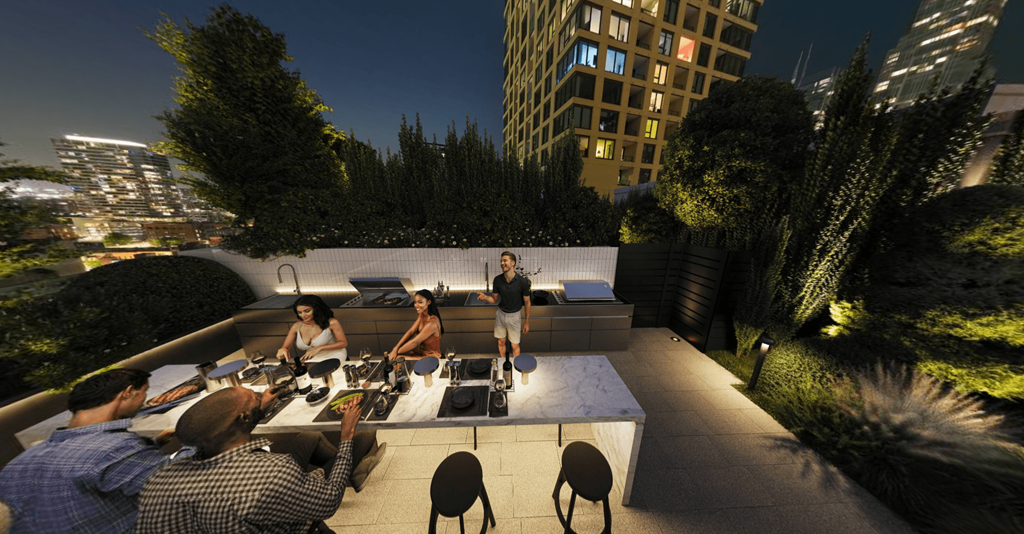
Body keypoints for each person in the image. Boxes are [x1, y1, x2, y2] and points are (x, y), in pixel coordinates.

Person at [135, 386, 375, 534]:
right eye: (254, 397)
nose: (259, 396)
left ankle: (353, 472)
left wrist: (256, 411)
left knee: (309, 438)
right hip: (304, 525)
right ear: (243, 417)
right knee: (354, 446)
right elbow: (330, 501)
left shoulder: (158, 481)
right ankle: (353, 467)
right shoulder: (273, 472)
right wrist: (346, 435)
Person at [0, 369, 186, 534]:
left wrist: (153, 444)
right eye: (144, 392)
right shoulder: (116, 448)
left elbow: (91, 467)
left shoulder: (15, 465)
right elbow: (179, 484)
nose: (144, 400)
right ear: (128, 392)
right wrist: (201, 436)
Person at [477, 251, 531, 359]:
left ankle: (516, 367)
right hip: (500, 315)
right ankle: (502, 362)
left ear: (512, 263)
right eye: (501, 261)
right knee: (501, 341)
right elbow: (494, 299)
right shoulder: (497, 280)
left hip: (514, 317)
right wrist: (486, 298)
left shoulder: (522, 282)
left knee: (514, 345)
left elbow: (527, 302)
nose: (502, 263)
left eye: (505, 260)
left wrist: (527, 322)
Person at [277, 294, 348, 363]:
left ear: (316, 309)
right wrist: (283, 349)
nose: (303, 315)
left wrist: (319, 348)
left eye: (307, 311)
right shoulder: (297, 326)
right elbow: (285, 347)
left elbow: (343, 343)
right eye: (299, 312)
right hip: (313, 358)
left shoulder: (332, 322)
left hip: (335, 355)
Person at [386, 289, 444, 362]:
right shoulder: (422, 315)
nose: (416, 305)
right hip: (418, 353)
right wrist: (395, 348)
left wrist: (394, 353)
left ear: (428, 302)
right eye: (415, 302)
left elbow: (414, 343)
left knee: (396, 358)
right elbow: (410, 332)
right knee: (396, 358)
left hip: (430, 357)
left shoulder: (433, 323)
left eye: (420, 302)